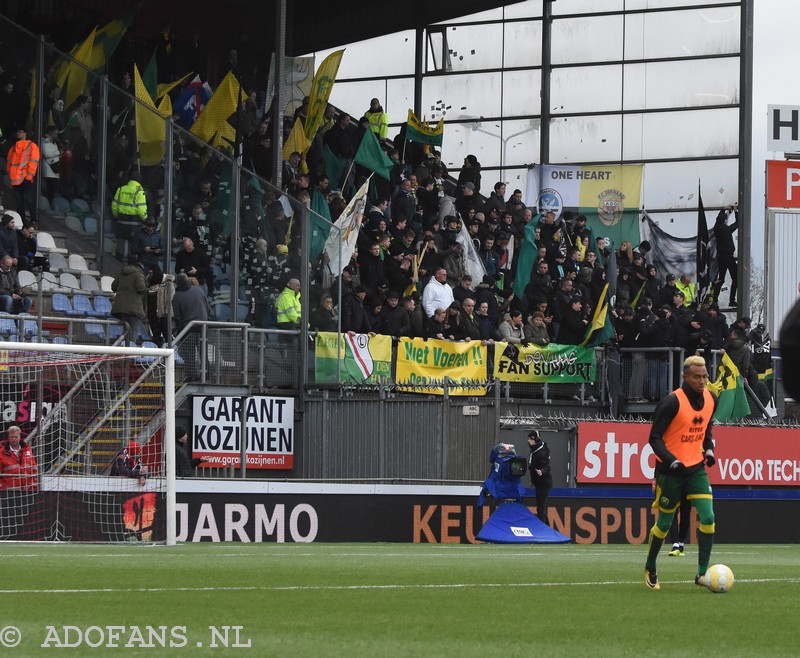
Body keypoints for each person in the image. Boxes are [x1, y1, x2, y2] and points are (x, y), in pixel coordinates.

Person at [644, 355, 717, 590]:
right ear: (685, 376)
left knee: (708, 518)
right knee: (664, 525)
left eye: (705, 376)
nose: (702, 381)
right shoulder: (671, 402)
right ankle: (651, 566)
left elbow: (706, 430)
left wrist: (709, 450)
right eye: (697, 377)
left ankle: (702, 574)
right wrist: (671, 460)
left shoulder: (711, 399)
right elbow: (654, 438)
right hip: (670, 471)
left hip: (696, 468)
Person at [172, 272, 210, 380]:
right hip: (203, 325)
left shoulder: (177, 296)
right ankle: (206, 375)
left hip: (188, 328)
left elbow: (177, 317)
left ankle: (193, 376)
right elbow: (207, 307)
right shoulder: (198, 290)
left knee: (189, 353)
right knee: (203, 352)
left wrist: (178, 330)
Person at [111, 171, 148, 261]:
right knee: (133, 248)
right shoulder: (140, 192)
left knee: (120, 245)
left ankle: (118, 266)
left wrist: (117, 216)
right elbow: (141, 210)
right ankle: (131, 269)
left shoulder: (121, 189)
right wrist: (146, 219)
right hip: (134, 224)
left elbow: (114, 206)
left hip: (121, 223)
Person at [6, 127, 40, 224]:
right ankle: (23, 220)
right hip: (17, 178)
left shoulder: (31, 146)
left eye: (20, 131)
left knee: (28, 200)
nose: (18, 133)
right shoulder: (13, 148)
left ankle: (33, 219)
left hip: (25, 177)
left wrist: (29, 175)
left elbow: (33, 162)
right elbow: (9, 163)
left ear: (25, 133)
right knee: (19, 201)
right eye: (17, 131)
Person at [111, 260, 149, 342]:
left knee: (126, 331)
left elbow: (113, 287)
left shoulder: (122, 273)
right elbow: (141, 289)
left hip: (121, 307)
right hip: (134, 308)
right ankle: (130, 350)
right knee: (133, 331)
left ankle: (125, 350)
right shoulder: (138, 274)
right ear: (140, 268)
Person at [526, 430, 553, 525]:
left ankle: (543, 530)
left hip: (543, 483)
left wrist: (541, 472)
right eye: (528, 439)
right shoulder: (535, 451)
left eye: (531, 439)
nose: (529, 441)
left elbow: (547, 467)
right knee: (542, 508)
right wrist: (533, 480)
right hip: (539, 482)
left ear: (536, 440)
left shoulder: (541, 453)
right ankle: (547, 528)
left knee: (540, 508)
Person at [0, 425, 38, 490]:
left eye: (16, 437)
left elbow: (34, 469)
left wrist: (33, 485)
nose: (14, 439)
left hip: (28, 490)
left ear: (20, 437)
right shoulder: (1, 453)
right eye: (11, 437)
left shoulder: (28, 450)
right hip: (9, 491)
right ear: (8, 438)